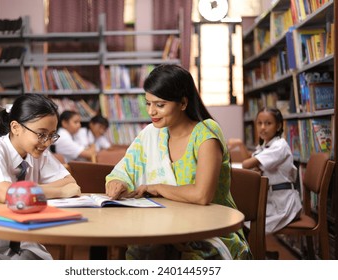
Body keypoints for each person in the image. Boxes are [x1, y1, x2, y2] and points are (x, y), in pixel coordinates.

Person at [105, 64, 252, 260]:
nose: (152, 111)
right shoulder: (151, 134)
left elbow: (202, 195)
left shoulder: (206, 134)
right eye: (148, 103)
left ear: (183, 103)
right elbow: (124, 171)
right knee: (144, 250)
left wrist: (157, 187)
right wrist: (118, 182)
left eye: (160, 104)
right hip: (164, 228)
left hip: (209, 233)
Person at [0, 94, 81, 260]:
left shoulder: (39, 153)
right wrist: (60, 192)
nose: (47, 143)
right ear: (16, 128)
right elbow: (5, 194)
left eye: (52, 135)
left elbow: (70, 182)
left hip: (17, 234)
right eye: (41, 134)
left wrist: (31, 193)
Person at [229, 107, 302, 233]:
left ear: (279, 126)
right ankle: (252, 251)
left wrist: (252, 161)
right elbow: (250, 161)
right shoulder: (266, 145)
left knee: (245, 221)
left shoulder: (280, 146)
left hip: (283, 204)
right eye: (259, 123)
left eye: (268, 123)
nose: (263, 127)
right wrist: (241, 146)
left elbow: (247, 164)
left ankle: (253, 252)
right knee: (241, 216)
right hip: (272, 199)